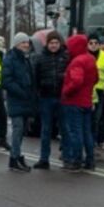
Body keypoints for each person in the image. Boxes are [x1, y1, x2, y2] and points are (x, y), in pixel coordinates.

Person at [60, 33, 98, 171]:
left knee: (75, 132)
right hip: (86, 100)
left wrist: (65, 91)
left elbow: (76, 81)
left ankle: (76, 160)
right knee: (87, 132)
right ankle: (90, 160)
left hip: (74, 101)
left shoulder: (77, 61)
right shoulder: (91, 59)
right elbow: (96, 79)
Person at [33, 31, 68, 168]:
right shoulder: (40, 58)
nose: (53, 45)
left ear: (60, 44)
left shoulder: (66, 57)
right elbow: (35, 79)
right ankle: (44, 158)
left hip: (62, 97)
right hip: (46, 98)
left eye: (56, 43)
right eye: (51, 43)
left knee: (64, 128)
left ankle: (66, 155)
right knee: (46, 130)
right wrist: (37, 95)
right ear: (47, 44)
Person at [3, 33, 34, 172]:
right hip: (16, 100)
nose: (26, 45)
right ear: (16, 44)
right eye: (23, 43)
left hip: (26, 100)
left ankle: (16, 156)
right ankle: (14, 158)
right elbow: (6, 81)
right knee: (18, 129)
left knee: (21, 132)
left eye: (27, 43)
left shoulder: (25, 59)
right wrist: (21, 92)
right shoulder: (10, 59)